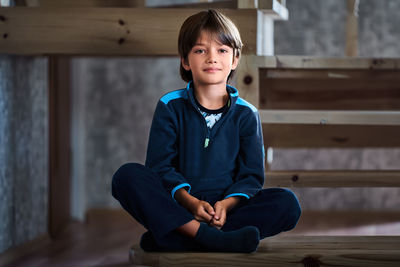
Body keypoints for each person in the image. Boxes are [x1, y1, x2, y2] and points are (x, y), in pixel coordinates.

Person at [112, 9, 301, 253]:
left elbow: (251, 177)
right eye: (200, 50)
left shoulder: (247, 114)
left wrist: (226, 204)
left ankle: (179, 237)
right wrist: (190, 203)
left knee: (287, 203)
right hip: (180, 204)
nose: (212, 58)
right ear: (185, 60)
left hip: (227, 211)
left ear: (234, 60)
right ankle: (208, 237)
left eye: (222, 50)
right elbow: (160, 167)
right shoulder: (170, 106)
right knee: (126, 176)